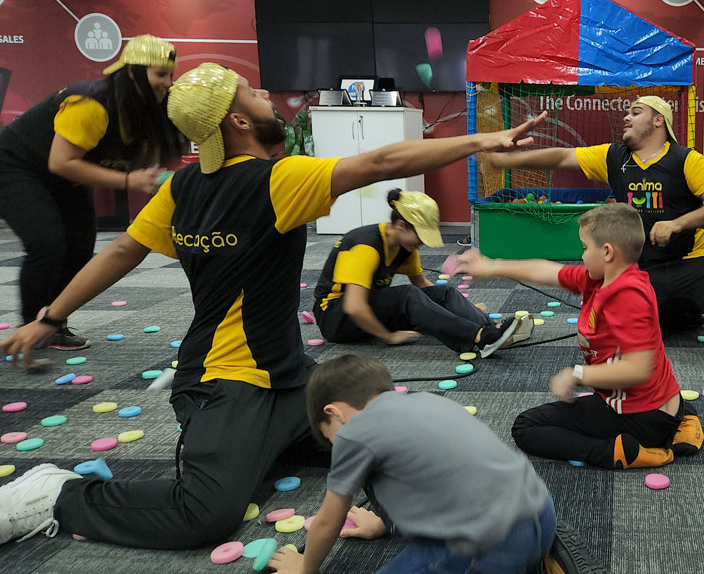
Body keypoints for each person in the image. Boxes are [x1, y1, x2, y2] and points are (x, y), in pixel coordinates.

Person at [0, 63, 544, 549]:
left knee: (383, 452)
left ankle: (262, 446)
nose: (264, 93)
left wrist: (50, 318)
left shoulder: (183, 185)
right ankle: (56, 495)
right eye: (250, 92)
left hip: (290, 380)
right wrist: (484, 139)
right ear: (237, 121)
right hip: (222, 381)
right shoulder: (275, 180)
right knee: (203, 515)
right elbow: (383, 160)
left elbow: (122, 251)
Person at [478, 96, 704, 336]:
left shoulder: (686, 159)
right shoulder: (614, 156)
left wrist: (678, 223)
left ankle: (695, 298)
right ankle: (682, 310)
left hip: (694, 261)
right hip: (645, 268)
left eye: (636, 112)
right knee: (613, 325)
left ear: (658, 121)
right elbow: (562, 157)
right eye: (627, 113)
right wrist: (503, 161)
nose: (626, 117)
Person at [456, 202, 703, 469]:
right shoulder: (600, 278)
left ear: (607, 252)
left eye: (585, 248)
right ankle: (682, 418)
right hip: (659, 401)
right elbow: (545, 270)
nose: (582, 255)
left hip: (640, 416)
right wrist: (490, 267)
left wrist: (577, 375)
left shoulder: (627, 296)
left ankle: (621, 452)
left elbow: (638, 369)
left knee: (526, 427)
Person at [267, 354, 555, 574]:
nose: (335, 445)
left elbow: (329, 520)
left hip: (489, 542)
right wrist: (386, 523)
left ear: (334, 412)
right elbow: (437, 476)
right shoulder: (427, 401)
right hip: (540, 511)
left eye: (329, 437)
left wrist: (305, 566)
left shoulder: (354, 433)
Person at [0, 35, 185, 349]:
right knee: (47, 243)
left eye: (170, 75)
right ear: (132, 72)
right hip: (17, 167)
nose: (167, 83)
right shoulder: (91, 103)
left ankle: (53, 322)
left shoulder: (145, 106)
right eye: (160, 74)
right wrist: (128, 180)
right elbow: (61, 162)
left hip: (64, 176)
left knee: (80, 247)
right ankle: (33, 328)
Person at [312, 189, 530, 358]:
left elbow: (423, 286)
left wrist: (465, 309)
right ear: (401, 226)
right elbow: (354, 306)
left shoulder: (404, 247)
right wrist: (388, 337)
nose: (422, 243)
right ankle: (480, 338)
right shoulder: (365, 246)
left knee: (444, 293)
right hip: (336, 318)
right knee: (406, 295)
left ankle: (491, 331)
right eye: (420, 235)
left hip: (368, 307)